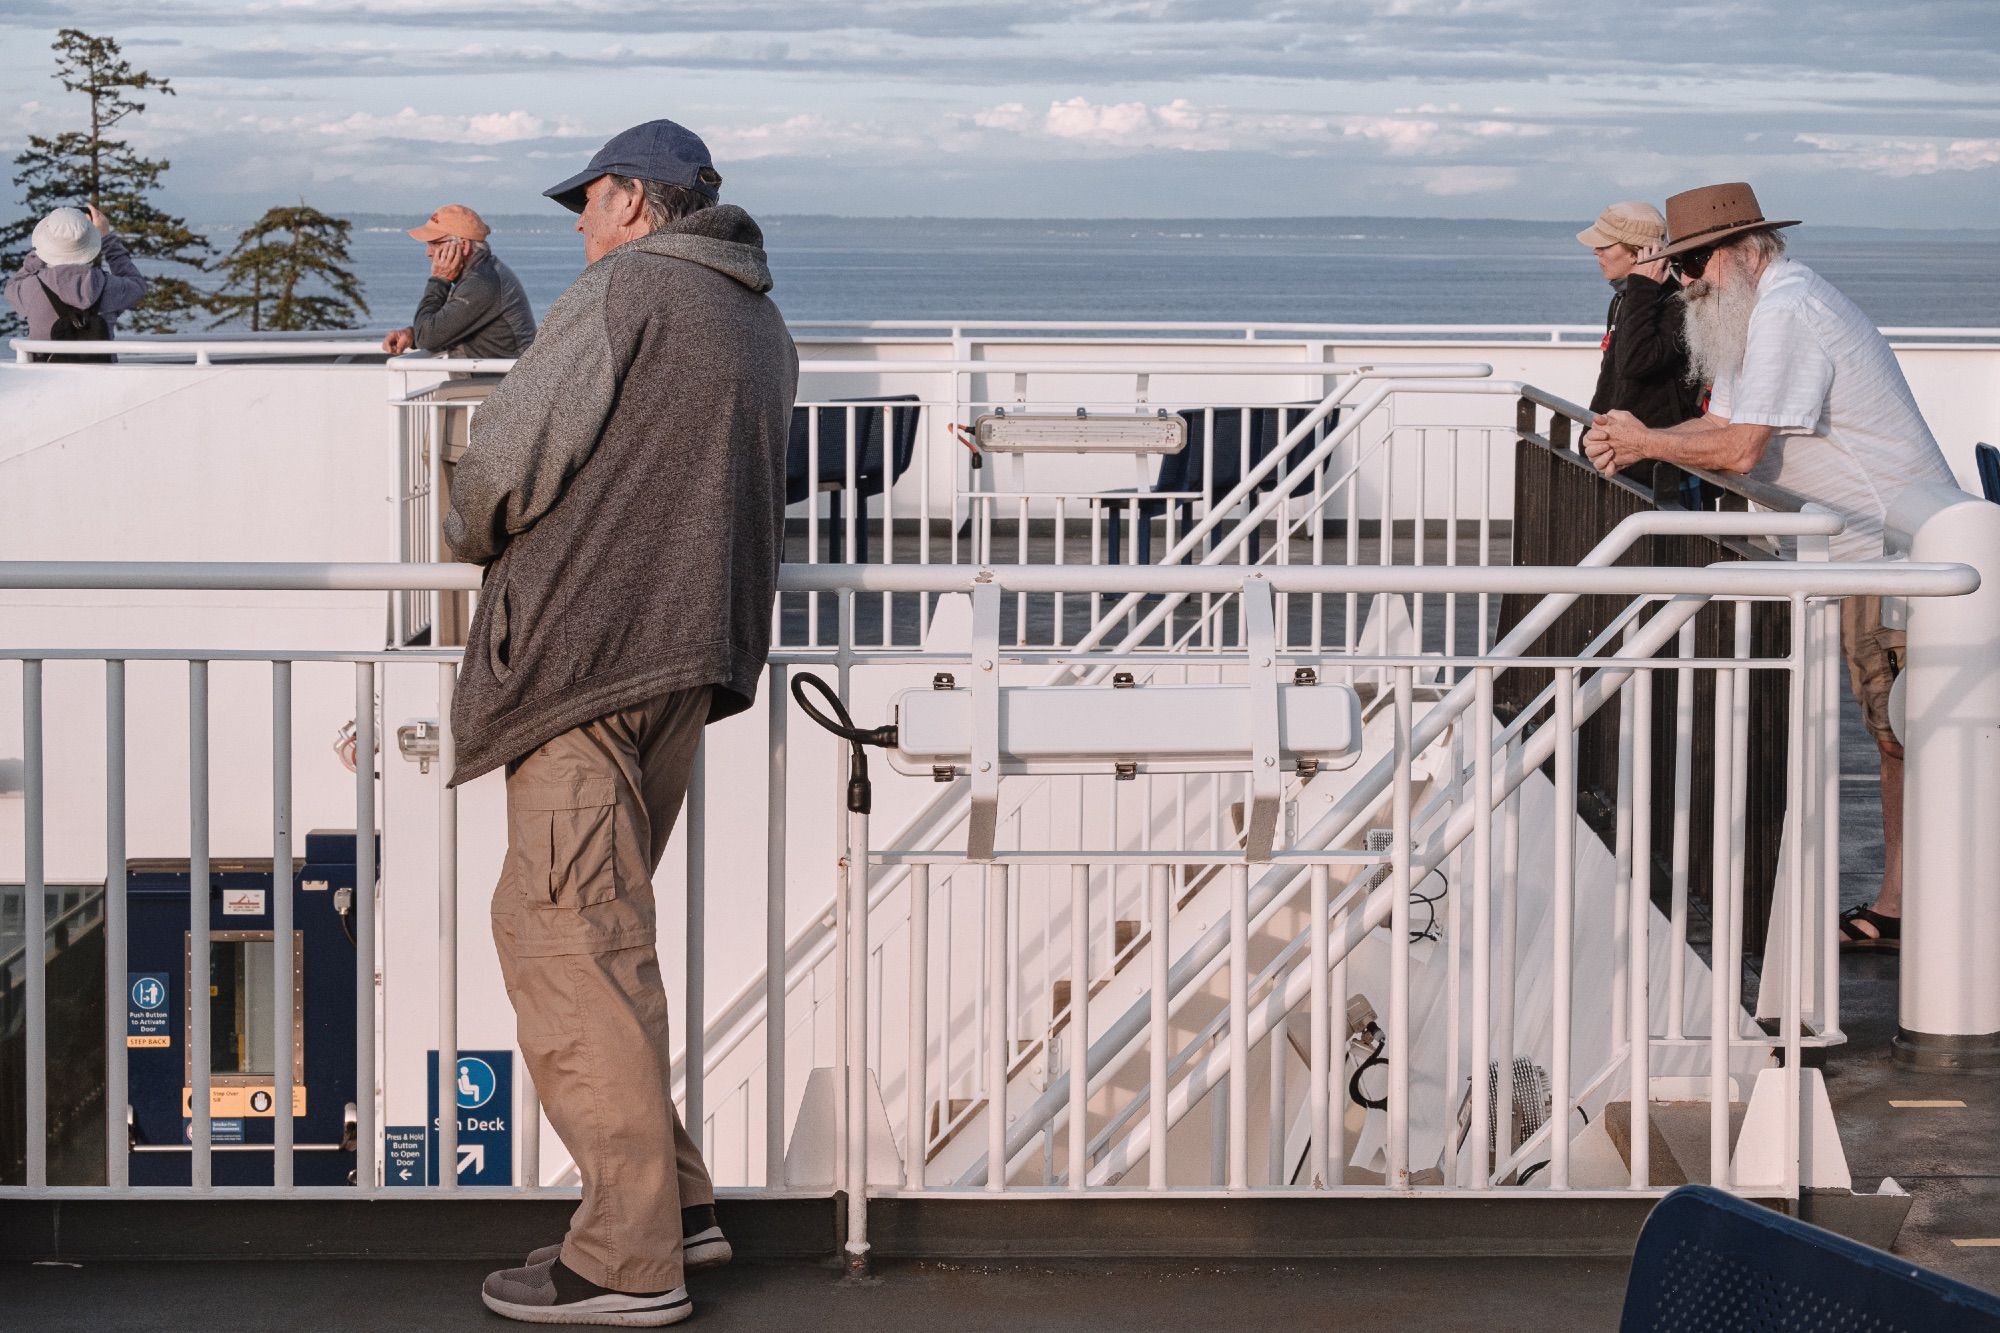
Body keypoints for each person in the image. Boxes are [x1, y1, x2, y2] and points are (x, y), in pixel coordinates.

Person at [444, 119, 798, 1327]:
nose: (579, 228)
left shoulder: (625, 293)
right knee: (610, 938)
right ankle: (681, 1210)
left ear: (634, 201)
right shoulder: (756, 314)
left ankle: (622, 1259)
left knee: (557, 936)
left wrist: (474, 530)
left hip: (587, 659)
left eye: (585, 204)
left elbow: (497, 469)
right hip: (688, 657)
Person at [1582, 181, 1957, 953]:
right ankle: (1903, 901)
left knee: (1912, 733)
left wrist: (1645, 441)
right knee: (1899, 734)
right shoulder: (1765, 307)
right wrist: (1632, 437)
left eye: (1692, 264)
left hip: (1896, 559)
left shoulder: (1786, 312)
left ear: (1741, 252)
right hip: (1869, 556)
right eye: (1676, 267)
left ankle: (1929, 909)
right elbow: (1719, 425)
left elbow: (1741, 449)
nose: (1684, 283)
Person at [1577, 200, 1701, 430]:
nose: (1596, 251)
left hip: (1655, 456)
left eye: (1604, 245)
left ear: (1637, 253)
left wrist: (1642, 287)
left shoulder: (1680, 301)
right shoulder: (1626, 297)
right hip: (1616, 449)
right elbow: (1611, 380)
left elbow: (1635, 364)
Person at [379, 204, 536, 359]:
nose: (428, 252)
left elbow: (427, 337)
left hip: (503, 382)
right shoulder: (483, 273)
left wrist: (439, 280)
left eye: (434, 243)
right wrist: (411, 335)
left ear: (464, 246)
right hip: (496, 378)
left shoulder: (481, 283)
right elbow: (446, 327)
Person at [4, 205, 147, 360]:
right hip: (102, 381)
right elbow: (138, 285)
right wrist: (107, 238)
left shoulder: (31, 289)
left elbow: (12, 286)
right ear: (89, 242)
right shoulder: (109, 287)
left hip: (46, 380)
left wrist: (42, 249)